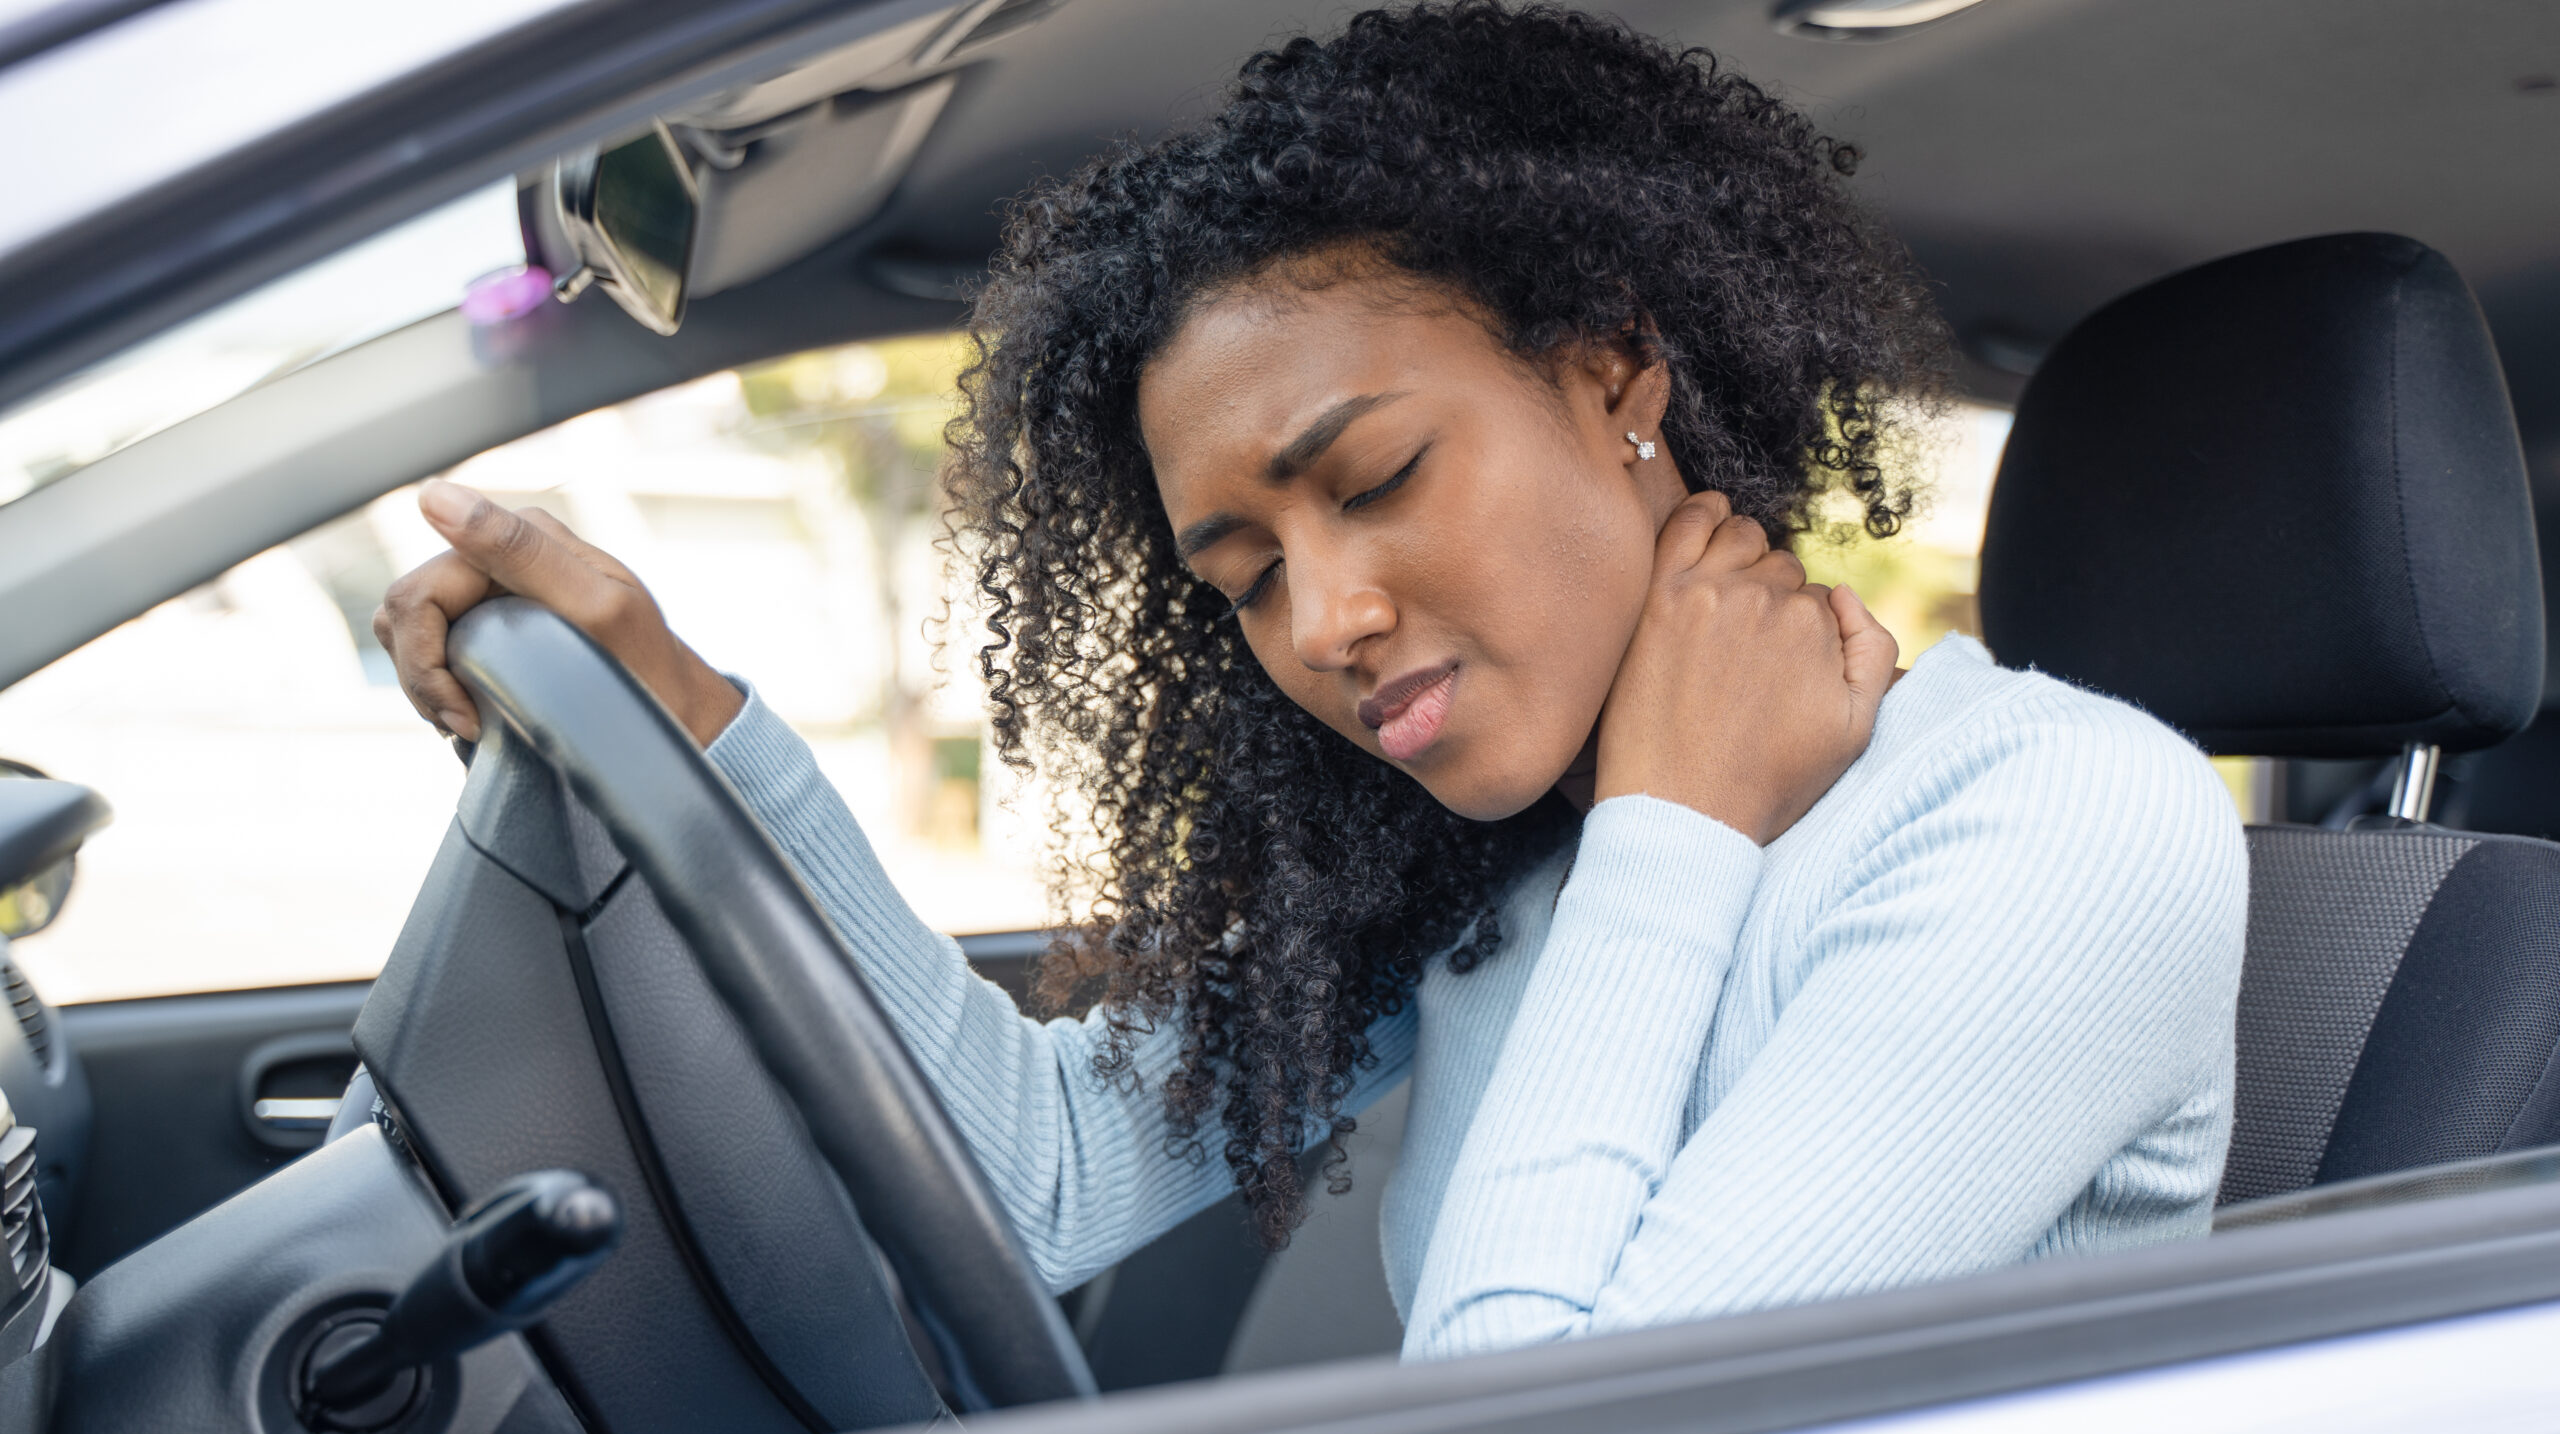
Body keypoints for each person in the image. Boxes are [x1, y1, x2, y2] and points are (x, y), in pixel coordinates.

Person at [376, 3, 2246, 1363]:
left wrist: (1677, 833)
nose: (1324, 621)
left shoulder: (2052, 818)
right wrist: (689, 718)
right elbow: (1037, 1175)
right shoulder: (1496, 868)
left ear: (1615, 377)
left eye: (1375, 482)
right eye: (1247, 576)